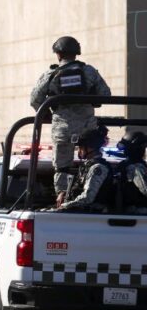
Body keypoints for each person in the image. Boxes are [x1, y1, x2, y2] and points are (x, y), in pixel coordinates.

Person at [30, 36, 111, 199]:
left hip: (62, 130)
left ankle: (62, 196)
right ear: (77, 53)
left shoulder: (50, 74)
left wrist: (47, 114)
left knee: (62, 167)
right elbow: (105, 95)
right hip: (87, 129)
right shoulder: (89, 72)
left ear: (58, 54)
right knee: (92, 161)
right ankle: (91, 193)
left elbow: (35, 99)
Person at [55, 127, 114, 212]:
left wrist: (64, 206)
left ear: (90, 148)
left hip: (92, 215)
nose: (79, 151)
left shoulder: (98, 168)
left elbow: (87, 198)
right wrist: (64, 193)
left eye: (81, 147)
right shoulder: (88, 166)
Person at [115, 131, 147, 213]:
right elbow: (145, 189)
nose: (144, 149)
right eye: (143, 147)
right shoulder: (136, 167)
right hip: (139, 211)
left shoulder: (124, 165)